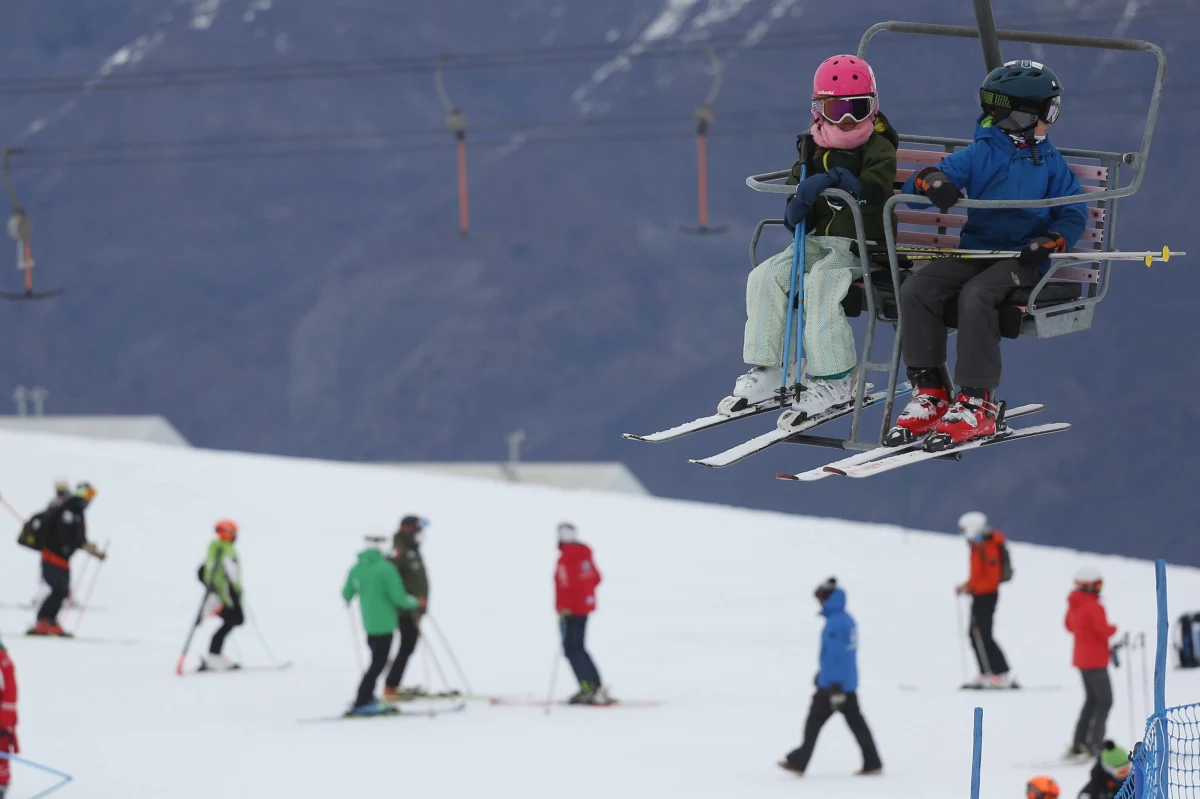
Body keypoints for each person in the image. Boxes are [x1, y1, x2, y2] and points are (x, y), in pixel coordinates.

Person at [887, 60, 1088, 450]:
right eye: (1050, 111)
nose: (1053, 120)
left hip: (1023, 262)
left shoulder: (1049, 160)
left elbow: (1074, 210)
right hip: (976, 252)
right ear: (1020, 116)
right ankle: (930, 391)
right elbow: (927, 176)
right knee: (918, 289)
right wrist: (936, 184)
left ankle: (978, 402)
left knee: (977, 295)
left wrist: (1051, 241)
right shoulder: (982, 153)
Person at [730, 54, 898, 420]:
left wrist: (841, 182)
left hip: (862, 245)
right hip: (816, 242)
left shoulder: (878, 147)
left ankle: (836, 377)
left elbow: (875, 195)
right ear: (819, 109)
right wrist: (798, 204)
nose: (848, 119)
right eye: (837, 109)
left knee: (822, 283)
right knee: (765, 275)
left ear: (874, 106)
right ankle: (770, 369)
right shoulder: (813, 147)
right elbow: (795, 203)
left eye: (858, 108)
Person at [781, 578, 882, 776]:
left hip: (834, 686)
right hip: (844, 682)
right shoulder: (846, 619)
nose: (819, 602)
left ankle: (799, 761)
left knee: (813, 723)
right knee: (856, 722)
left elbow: (837, 656)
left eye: (820, 598)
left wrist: (834, 684)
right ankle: (873, 761)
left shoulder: (835, 624)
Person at [343, 535, 422, 715]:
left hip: (369, 624)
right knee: (378, 664)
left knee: (376, 661)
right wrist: (416, 602)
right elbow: (399, 598)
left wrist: (350, 597)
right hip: (385, 624)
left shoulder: (357, 568)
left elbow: (347, 592)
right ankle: (362, 700)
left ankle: (367, 697)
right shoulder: (386, 569)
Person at [29, 483, 104, 637]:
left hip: (62, 559)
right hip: (52, 557)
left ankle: (48, 621)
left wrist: (92, 550)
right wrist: (83, 546)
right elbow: (66, 537)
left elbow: (77, 538)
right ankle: (44, 622)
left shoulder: (76, 512)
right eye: (88, 495)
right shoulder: (68, 511)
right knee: (59, 590)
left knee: (62, 591)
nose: (90, 500)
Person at [555, 522, 611, 705]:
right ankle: (595, 685)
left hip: (571, 610)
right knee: (579, 647)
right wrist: (585, 597)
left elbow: (566, 584)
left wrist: (566, 606)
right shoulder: (584, 554)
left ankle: (588, 687)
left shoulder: (567, 557)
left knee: (572, 649)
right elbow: (595, 577)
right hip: (584, 608)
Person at [956, 511, 1014, 687]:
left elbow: (991, 579)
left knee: (984, 634)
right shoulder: (977, 546)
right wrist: (967, 586)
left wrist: (972, 587)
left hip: (986, 596)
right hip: (979, 595)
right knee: (975, 634)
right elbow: (978, 575)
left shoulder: (989, 547)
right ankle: (986, 672)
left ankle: (1000, 672)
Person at [1065, 568, 1117, 759]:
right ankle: (1094, 745)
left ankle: (1079, 743)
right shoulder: (1094, 606)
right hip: (1095, 660)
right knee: (1104, 701)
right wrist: (1114, 628)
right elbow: (1104, 631)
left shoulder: (1075, 604)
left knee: (1092, 701)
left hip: (1082, 660)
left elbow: (1069, 626)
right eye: (1097, 585)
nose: (1099, 589)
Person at [383, 515, 430, 701]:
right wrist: (407, 601)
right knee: (407, 646)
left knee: (408, 647)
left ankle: (393, 685)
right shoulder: (398, 552)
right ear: (410, 530)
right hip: (406, 610)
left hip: (416, 609)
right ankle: (391, 687)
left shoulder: (412, 550)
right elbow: (391, 581)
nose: (422, 534)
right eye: (419, 530)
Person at [199, 520, 243, 671]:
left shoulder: (214, 548)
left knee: (232, 620)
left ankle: (214, 655)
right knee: (236, 619)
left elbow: (207, 569)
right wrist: (236, 589)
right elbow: (232, 572)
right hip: (226, 592)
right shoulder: (226, 549)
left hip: (216, 591)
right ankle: (214, 656)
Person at [0, 634, 17, 799]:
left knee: (2, 747)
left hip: (1, 719)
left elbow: (10, 689)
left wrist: (6, 716)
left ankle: (1, 782)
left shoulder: (4, 661)